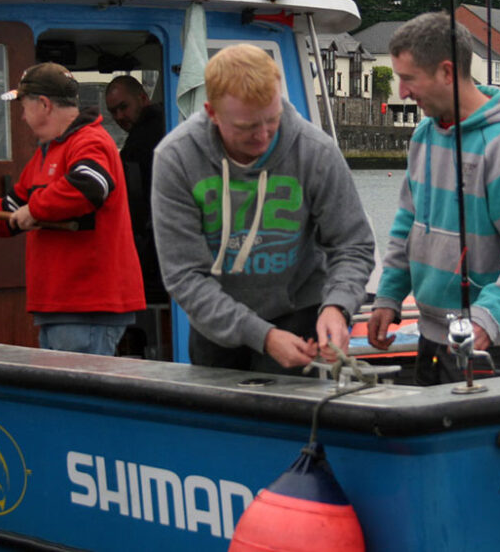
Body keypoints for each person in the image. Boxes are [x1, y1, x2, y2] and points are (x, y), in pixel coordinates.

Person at [151, 43, 375, 373]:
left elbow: (352, 245)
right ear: (212, 113)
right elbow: (185, 276)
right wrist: (264, 336)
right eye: (245, 127)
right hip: (216, 326)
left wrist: (338, 306)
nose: (263, 136)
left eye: (272, 120)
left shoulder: (315, 151)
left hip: (300, 312)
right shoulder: (176, 159)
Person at [367, 12, 500, 385]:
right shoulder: (424, 134)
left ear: (447, 73)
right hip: (431, 336)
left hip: (494, 345)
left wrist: (488, 317)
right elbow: (408, 222)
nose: (402, 92)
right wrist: (389, 296)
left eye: (408, 79)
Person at [0, 62, 146, 355]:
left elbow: (90, 185)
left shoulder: (91, 141)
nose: (21, 116)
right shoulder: (45, 154)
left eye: (24, 105)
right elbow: (7, 215)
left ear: (44, 105)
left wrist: (35, 210)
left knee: (73, 399)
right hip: (60, 310)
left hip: (86, 309)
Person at [104, 75, 170, 356]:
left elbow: (135, 201)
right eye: (113, 112)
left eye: (124, 107)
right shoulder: (156, 128)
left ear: (143, 99)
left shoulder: (146, 139)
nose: (119, 116)